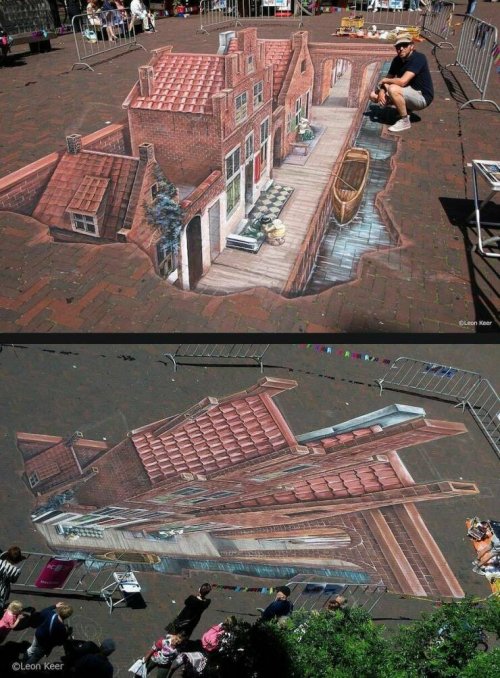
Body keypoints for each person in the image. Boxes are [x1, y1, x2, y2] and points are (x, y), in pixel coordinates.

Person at [369, 33, 434, 133]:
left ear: (411, 46)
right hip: (408, 92)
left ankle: (405, 121)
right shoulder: (397, 60)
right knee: (373, 96)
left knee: (393, 89)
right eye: (398, 46)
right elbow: (389, 77)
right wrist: (381, 92)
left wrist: (385, 81)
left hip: (422, 97)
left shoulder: (419, 58)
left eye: (404, 45)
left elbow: (402, 82)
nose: (401, 48)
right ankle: (406, 110)